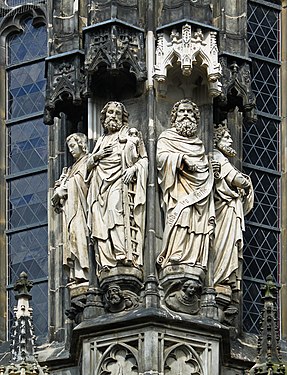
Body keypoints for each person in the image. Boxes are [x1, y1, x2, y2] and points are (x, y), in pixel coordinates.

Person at [86, 101, 148, 270]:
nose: (113, 115)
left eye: (117, 113)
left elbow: (143, 159)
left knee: (115, 211)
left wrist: (133, 169)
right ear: (104, 116)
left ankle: (122, 252)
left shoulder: (130, 136)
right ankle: (106, 259)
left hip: (119, 181)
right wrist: (96, 156)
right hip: (98, 185)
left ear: (123, 118)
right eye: (110, 112)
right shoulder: (101, 140)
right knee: (99, 220)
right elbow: (88, 166)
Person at [156, 99, 215, 269]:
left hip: (199, 188)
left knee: (197, 221)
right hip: (177, 186)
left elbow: (204, 166)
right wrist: (182, 159)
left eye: (190, 112)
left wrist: (212, 168)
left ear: (196, 118)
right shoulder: (166, 137)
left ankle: (194, 257)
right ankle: (176, 252)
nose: (186, 115)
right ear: (174, 117)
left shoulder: (199, 144)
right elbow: (160, 158)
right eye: (182, 111)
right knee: (183, 212)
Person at [213, 124, 253, 291]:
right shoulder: (218, 156)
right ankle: (220, 277)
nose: (230, 141)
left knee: (226, 245)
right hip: (225, 210)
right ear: (216, 140)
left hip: (228, 209)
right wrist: (247, 182)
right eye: (226, 137)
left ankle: (223, 277)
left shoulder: (220, 158)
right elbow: (237, 179)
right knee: (223, 243)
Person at [51, 133, 89, 282]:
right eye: (69, 148)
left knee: (79, 234)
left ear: (81, 144)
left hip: (80, 209)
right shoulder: (71, 168)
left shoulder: (86, 161)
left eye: (73, 146)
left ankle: (83, 273)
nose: (71, 150)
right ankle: (75, 274)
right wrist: (60, 187)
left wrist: (64, 189)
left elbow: (83, 182)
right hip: (70, 210)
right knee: (71, 237)